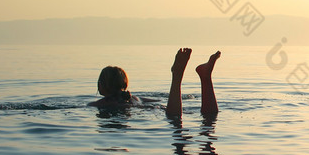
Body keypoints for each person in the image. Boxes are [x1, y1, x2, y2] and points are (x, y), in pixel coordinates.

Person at [89, 48, 221, 116]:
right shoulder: (134, 98)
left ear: (101, 86)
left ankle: (177, 77)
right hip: (154, 109)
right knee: (209, 117)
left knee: (174, 118)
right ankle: (206, 78)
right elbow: (159, 101)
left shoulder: (97, 104)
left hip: (149, 114)